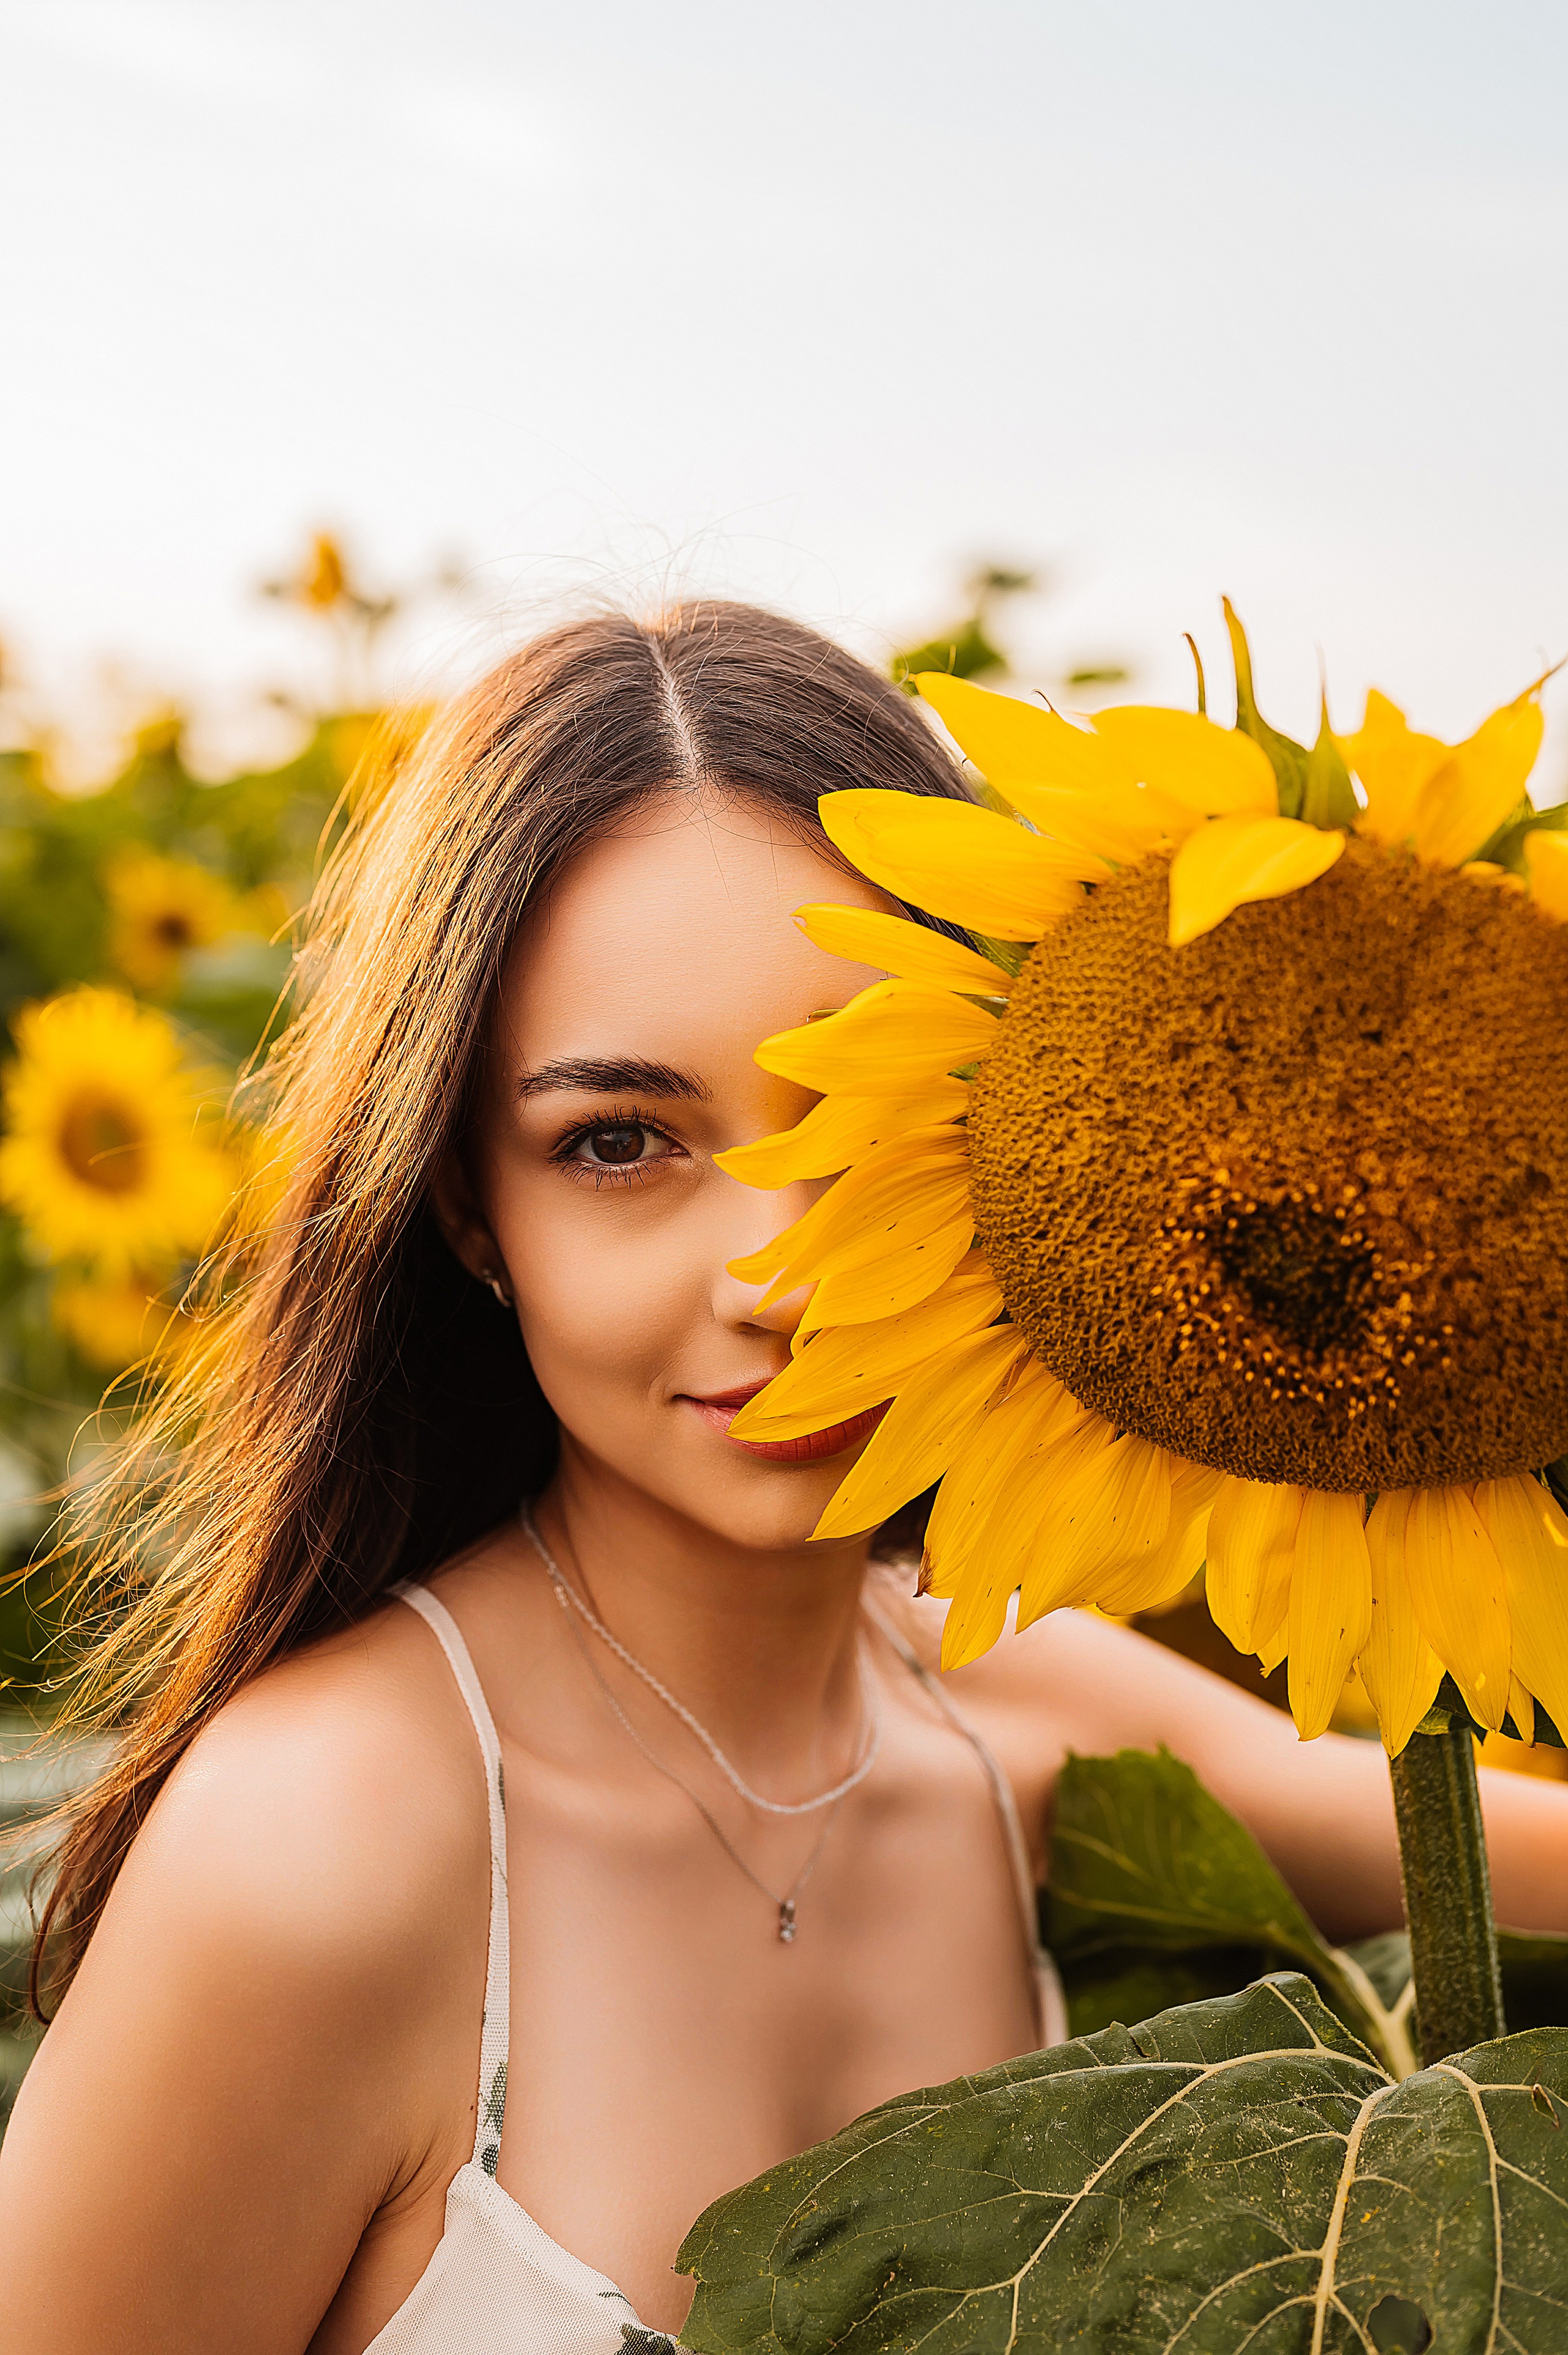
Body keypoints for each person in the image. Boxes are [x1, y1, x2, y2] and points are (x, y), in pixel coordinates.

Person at [1, 602, 1564, 2355]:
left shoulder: (1010, 1700)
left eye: (858, 1124)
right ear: (468, 1208)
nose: (781, 1275)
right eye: (619, 1142)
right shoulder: (328, 1840)